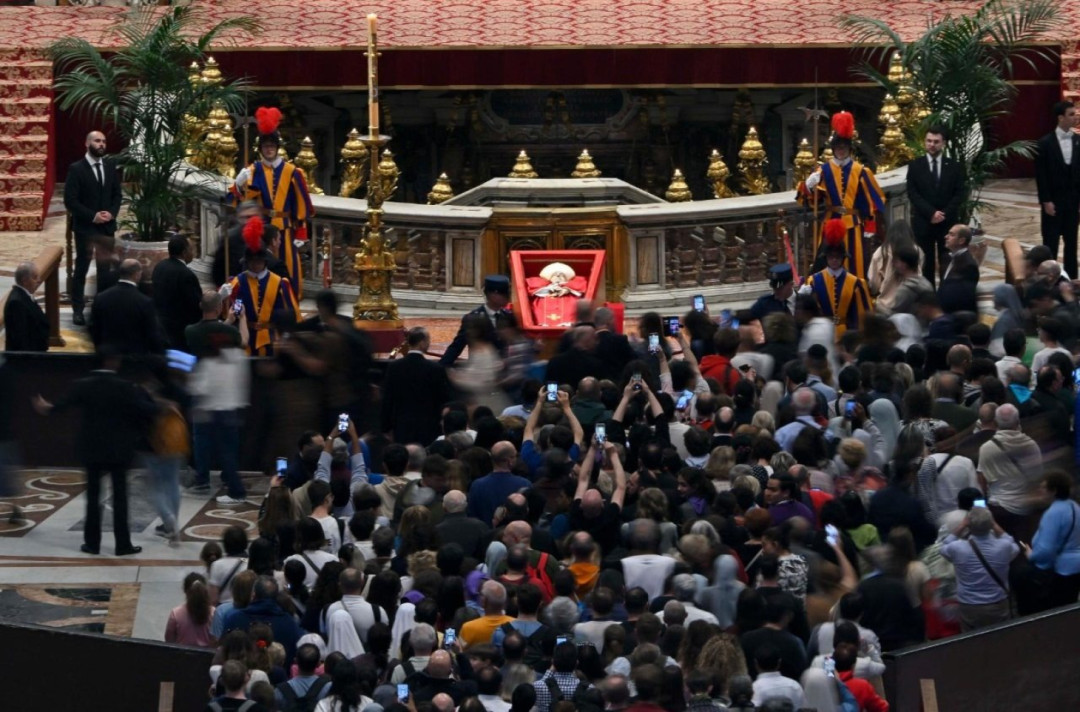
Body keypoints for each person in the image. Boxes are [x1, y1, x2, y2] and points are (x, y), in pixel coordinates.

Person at [33, 347, 156, 556]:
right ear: (112, 361)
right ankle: (122, 544)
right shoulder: (125, 387)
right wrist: (157, 401)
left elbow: (59, 406)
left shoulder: (83, 385)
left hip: (91, 449)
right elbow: (146, 410)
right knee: (120, 498)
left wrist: (46, 407)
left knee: (93, 497)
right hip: (119, 449)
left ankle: (92, 544)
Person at [231, 106, 313, 299]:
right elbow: (237, 200)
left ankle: (290, 300)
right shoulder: (253, 170)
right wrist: (238, 184)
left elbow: (302, 204)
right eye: (265, 146)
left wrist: (301, 232)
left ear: (277, 148)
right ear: (261, 149)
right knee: (259, 266)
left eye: (272, 146)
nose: (269, 149)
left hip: (286, 228)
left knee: (289, 267)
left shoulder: (293, 172)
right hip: (263, 228)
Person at [796, 110, 885, 278]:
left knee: (856, 263)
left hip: (854, 224)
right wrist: (808, 186)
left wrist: (871, 224)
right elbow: (810, 200)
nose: (841, 150)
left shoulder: (861, 171)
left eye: (844, 147)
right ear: (833, 149)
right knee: (825, 259)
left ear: (849, 149)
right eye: (838, 147)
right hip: (830, 222)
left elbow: (874, 199)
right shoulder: (823, 170)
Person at [63, 130, 121, 326]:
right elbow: (70, 201)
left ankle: (101, 309)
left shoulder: (110, 166)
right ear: (87, 144)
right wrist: (92, 216)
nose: (101, 144)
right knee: (82, 269)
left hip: (107, 227)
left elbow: (117, 195)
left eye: (104, 141)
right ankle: (78, 310)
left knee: (105, 270)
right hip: (85, 228)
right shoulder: (76, 169)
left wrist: (111, 213)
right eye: (97, 141)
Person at [225, 217, 300, 356]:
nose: (255, 265)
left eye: (258, 262)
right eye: (251, 262)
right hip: (246, 338)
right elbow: (237, 306)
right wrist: (235, 309)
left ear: (264, 262)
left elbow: (287, 312)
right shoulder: (238, 282)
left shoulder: (279, 283)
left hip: (272, 340)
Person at [940, 506, 1019, 631]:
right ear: (990, 524)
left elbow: (944, 546)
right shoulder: (1004, 547)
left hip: (969, 605)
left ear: (969, 526)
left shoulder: (957, 548)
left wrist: (962, 525)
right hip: (998, 602)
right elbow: (1012, 543)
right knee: (1002, 636)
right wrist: (995, 525)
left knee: (971, 638)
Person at [906, 126, 966, 286]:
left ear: (943, 143)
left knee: (947, 261)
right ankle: (929, 294)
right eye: (929, 141)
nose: (932, 145)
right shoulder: (915, 166)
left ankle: (947, 293)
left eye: (936, 142)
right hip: (923, 222)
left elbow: (960, 193)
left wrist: (943, 214)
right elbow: (913, 193)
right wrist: (931, 213)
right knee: (926, 263)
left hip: (947, 223)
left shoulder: (955, 167)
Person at [800, 219, 873, 340]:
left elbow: (860, 314)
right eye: (831, 257)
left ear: (843, 258)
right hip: (821, 334)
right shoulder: (813, 281)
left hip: (846, 335)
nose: (834, 260)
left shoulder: (855, 283)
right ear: (826, 257)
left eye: (838, 257)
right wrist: (802, 297)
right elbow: (806, 314)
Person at [381, 327, 450, 446]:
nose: (429, 343)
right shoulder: (435, 369)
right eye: (428, 340)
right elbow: (443, 399)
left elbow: (387, 399)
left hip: (402, 426)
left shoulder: (394, 367)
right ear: (422, 342)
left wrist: (385, 428)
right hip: (429, 427)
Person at [1035, 100, 1080, 278]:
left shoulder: (1078, 141)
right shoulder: (1044, 143)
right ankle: (1049, 279)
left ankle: (1072, 280)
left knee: (1072, 243)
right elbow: (1041, 176)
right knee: (1050, 243)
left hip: (1072, 202)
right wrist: (1046, 201)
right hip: (1053, 202)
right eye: (1071, 114)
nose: (1076, 117)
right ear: (1061, 118)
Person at [1023, 471, 1080, 609]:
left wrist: (1031, 556)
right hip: (1076, 566)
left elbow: (1046, 549)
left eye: (1043, 487)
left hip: (1061, 570)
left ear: (1053, 491)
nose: (1040, 490)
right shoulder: (1074, 506)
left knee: (1057, 609)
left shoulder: (1053, 513)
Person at [90, 259, 166, 356]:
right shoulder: (144, 302)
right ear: (137, 274)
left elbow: (94, 328)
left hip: (108, 356)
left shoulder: (100, 297)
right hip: (135, 357)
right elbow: (152, 334)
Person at [441, 275, 510, 366]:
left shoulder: (508, 316)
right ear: (493, 295)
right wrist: (440, 368)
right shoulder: (472, 319)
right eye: (504, 294)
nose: (508, 298)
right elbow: (457, 347)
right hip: (481, 370)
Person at [151, 235, 203, 349]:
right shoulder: (186, 274)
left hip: (160, 325)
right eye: (191, 249)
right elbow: (195, 305)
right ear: (184, 252)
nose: (193, 253)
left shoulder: (159, 266)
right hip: (179, 330)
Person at [526, 261, 588, 328]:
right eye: (555, 275)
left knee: (571, 307)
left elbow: (580, 291)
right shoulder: (545, 286)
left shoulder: (570, 286)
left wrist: (567, 290)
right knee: (539, 308)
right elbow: (533, 292)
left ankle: (566, 322)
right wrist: (549, 289)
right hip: (545, 303)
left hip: (567, 301)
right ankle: (543, 323)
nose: (558, 276)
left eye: (561, 275)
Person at [4, 261, 48, 352]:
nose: (39, 280)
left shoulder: (24, 296)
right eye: (35, 277)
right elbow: (20, 338)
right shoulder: (16, 303)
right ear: (24, 280)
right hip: (27, 357)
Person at [937, 224, 980, 314]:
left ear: (961, 240)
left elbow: (965, 296)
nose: (946, 237)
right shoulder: (946, 258)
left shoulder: (969, 265)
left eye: (951, 235)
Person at [165, 572, 215, 647]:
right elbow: (215, 639)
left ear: (185, 591)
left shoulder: (176, 613)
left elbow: (169, 639)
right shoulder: (213, 613)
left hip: (181, 653)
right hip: (207, 653)